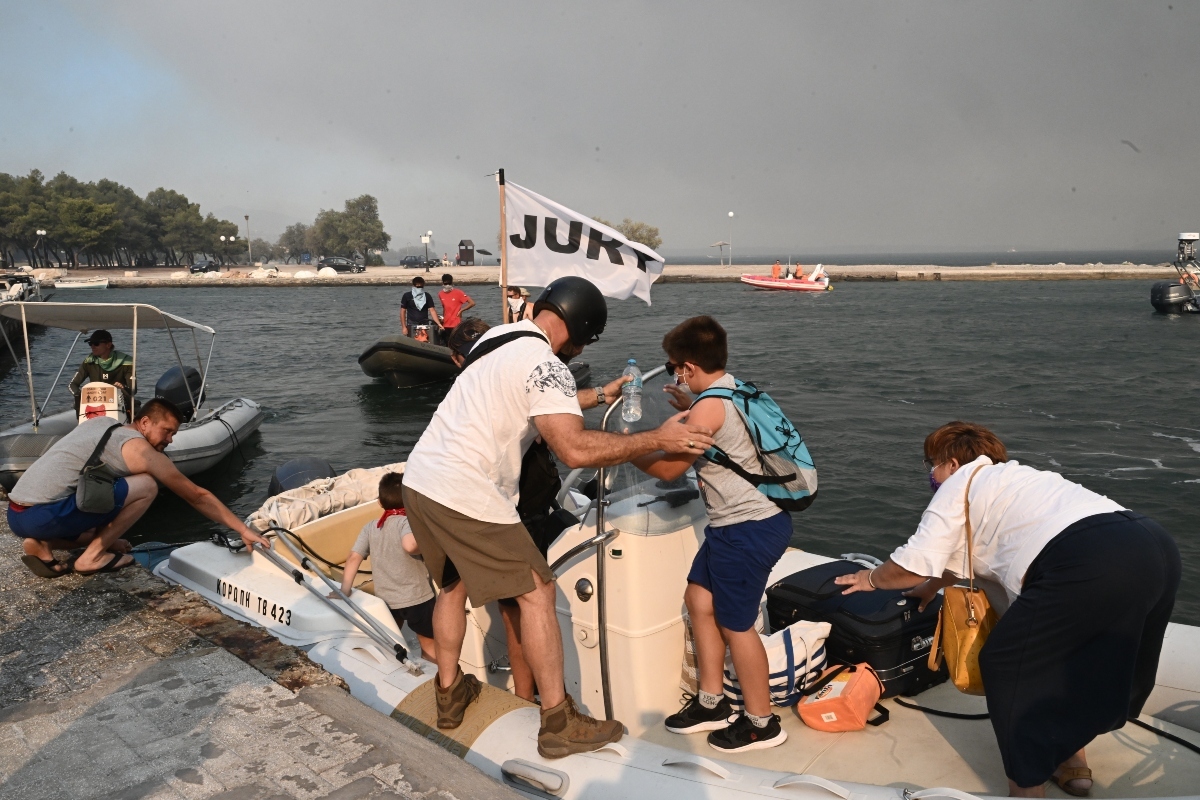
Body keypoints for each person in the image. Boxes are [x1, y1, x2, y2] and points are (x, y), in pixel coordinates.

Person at [401, 276, 716, 758]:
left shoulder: (497, 338)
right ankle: (558, 721)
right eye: (585, 341)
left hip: (421, 480)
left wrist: (600, 395)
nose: (577, 350)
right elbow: (572, 448)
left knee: (453, 586)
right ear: (578, 330)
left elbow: (533, 403)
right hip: (467, 490)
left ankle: (449, 696)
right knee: (537, 591)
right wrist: (659, 439)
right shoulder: (548, 365)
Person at [834, 421, 1180, 798]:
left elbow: (910, 564)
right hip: (1152, 545)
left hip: (1088, 561)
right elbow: (969, 551)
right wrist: (932, 587)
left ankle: (1027, 788)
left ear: (951, 463)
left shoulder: (957, 484)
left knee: (1007, 664)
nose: (930, 474)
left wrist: (869, 580)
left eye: (930, 464)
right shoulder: (1020, 479)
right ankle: (1073, 763)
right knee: (1073, 661)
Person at [447, 316, 632, 704]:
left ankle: (527, 689)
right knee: (522, 607)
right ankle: (531, 695)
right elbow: (563, 434)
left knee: (526, 603)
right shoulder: (478, 396)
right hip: (510, 513)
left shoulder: (488, 382)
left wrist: (601, 394)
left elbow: (548, 404)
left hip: (536, 507)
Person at [631, 315, 794, 753]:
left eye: (672, 368)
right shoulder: (732, 390)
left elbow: (667, 469)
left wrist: (626, 446)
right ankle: (712, 702)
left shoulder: (707, 408)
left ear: (686, 366)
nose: (673, 375)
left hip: (749, 527)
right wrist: (690, 403)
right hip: (737, 525)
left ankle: (762, 722)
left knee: (736, 624)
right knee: (699, 600)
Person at [7, 398, 270, 577]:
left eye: (174, 434)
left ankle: (43, 543)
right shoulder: (138, 450)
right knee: (146, 486)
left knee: (106, 512)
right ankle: (92, 558)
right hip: (44, 515)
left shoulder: (102, 424)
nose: (169, 439)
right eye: (166, 431)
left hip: (17, 514)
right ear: (144, 423)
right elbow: (197, 495)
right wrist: (243, 529)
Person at [330, 472, 437, 661]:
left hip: (386, 600)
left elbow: (354, 557)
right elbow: (410, 545)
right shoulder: (408, 521)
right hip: (417, 599)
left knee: (389, 644)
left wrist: (345, 590)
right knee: (429, 644)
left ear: (380, 502)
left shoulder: (371, 527)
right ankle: (433, 680)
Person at [69, 330, 134, 417]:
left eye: (96, 343)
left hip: (120, 406)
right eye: (90, 344)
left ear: (108, 345)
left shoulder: (126, 362)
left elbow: (134, 389)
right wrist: (80, 395)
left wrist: (122, 387)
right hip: (94, 406)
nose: (92, 346)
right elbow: (72, 384)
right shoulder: (89, 362)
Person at [437, 274, 475, 345]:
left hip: (456, 323)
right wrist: (443, 319)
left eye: (449, 283)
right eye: (446, 283)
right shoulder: (440, 294)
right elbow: (444, 308)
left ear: (452, 283)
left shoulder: (458, 292)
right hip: (446, 324)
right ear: (442, 283)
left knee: (456, 343)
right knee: (446, 343)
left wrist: (462, 310)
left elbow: (472, 303)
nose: (447, 285)